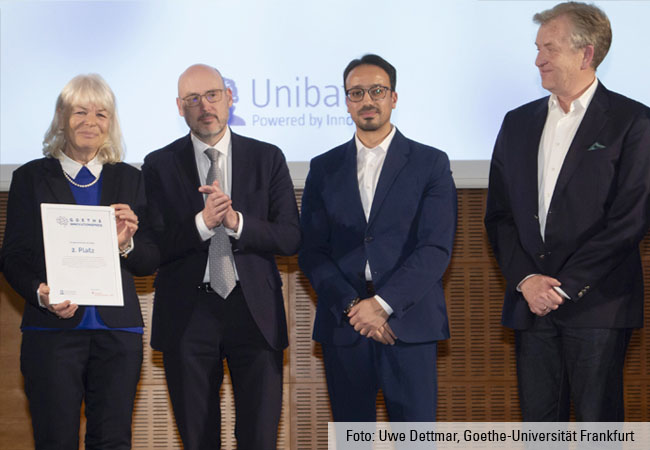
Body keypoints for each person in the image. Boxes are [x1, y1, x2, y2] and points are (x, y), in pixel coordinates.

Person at [485, 1, 650, 421]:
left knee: (599, 429)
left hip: (599, 304)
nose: (538, 59)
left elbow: (629, 219)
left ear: (586, 53)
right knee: (540, 431)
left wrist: (562, 286)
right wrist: (527, 280)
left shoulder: (633, 122)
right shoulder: (516, 122)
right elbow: (500, 216)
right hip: (531, 303)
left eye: (550, 48)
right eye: (538, 48)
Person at [142, 64, 300, 449]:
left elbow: (291, 237)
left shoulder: (267, 158)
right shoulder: (158, 165)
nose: (204, 106)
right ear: (180, 108)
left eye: (212, 95)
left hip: (255, 313)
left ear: (229, 98)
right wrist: (201, 224)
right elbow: (152, 247)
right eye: (192, 100)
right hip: (187, 317)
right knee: (198, 439)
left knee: (259, 438)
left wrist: (236, 222)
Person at [0, 74, 159, 449]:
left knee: (114, 440)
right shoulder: (29, 178)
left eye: (101, 114)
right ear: (61, 118)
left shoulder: (131, 180)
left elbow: (148, 260)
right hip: (51, 333)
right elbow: (13, 255)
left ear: (111, 122)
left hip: (118, 334)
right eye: (80, 112)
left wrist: (125, 244)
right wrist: (40, 294)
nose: (91, 122)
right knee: (55, 439)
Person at [299, 54, 457, 421]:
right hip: (345, 324)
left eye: (376, 91)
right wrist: (357, 307)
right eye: (356, 93)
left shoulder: (430, 162)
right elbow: (312, 251)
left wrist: (382, 305)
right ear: (346, 100)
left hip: (410, 322)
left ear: (393, 98)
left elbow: (435, 247)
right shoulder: (323, 167)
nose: (367, 101)